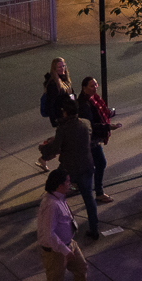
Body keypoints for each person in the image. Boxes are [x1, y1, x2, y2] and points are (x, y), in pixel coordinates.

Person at [39, 101, 99, 241]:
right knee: (88, 197)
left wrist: (43, 149)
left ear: (65, 112)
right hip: (86, 165)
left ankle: (60, 226)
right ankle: (94, 228)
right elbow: (80, 139)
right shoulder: (85, 123)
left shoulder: (63, 129)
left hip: (69, 167)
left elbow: (55, 149)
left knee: (56, 195)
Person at [37, 169, 88, 281]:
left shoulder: (58, 197)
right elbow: (49, 234)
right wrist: (65, 251)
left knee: (81, 269)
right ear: (59, 185)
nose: (70, 184)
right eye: (68, 182)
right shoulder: (51, 205)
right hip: (56, 252)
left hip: (70, 244)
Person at [78, 77, 120, 203]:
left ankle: (77, 183)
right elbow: (90, 125)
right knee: (99, 163)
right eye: (92, 86)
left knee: (89, 165)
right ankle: (98, 193)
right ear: (84, 88)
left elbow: (100, 114)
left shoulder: (93, 99)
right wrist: (108, 126)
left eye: (95, 84)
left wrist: (108, 115)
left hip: (91, 138)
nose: (95, 87)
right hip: (90, 140)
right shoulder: (85, 104)